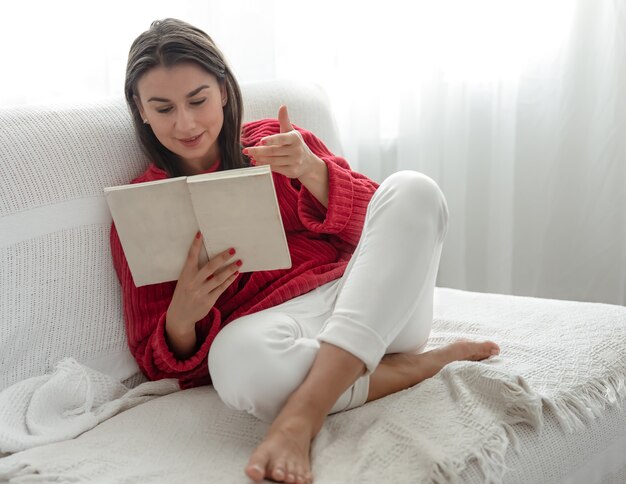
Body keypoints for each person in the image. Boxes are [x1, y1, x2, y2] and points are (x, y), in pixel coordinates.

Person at [111, 18, 500, 484]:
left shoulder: (281, 144)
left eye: (198, 100)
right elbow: (152, 360)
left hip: (367, 304)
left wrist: (313, 172)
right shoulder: (139, 207)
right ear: (140, 109)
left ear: (224, 90)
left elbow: (384, 225)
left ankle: (302, 416)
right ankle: (415, 367)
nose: (186, 123)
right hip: (275, 334)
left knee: (414, 189)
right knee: (233, 362)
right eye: (163, 107)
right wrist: (182, 316)